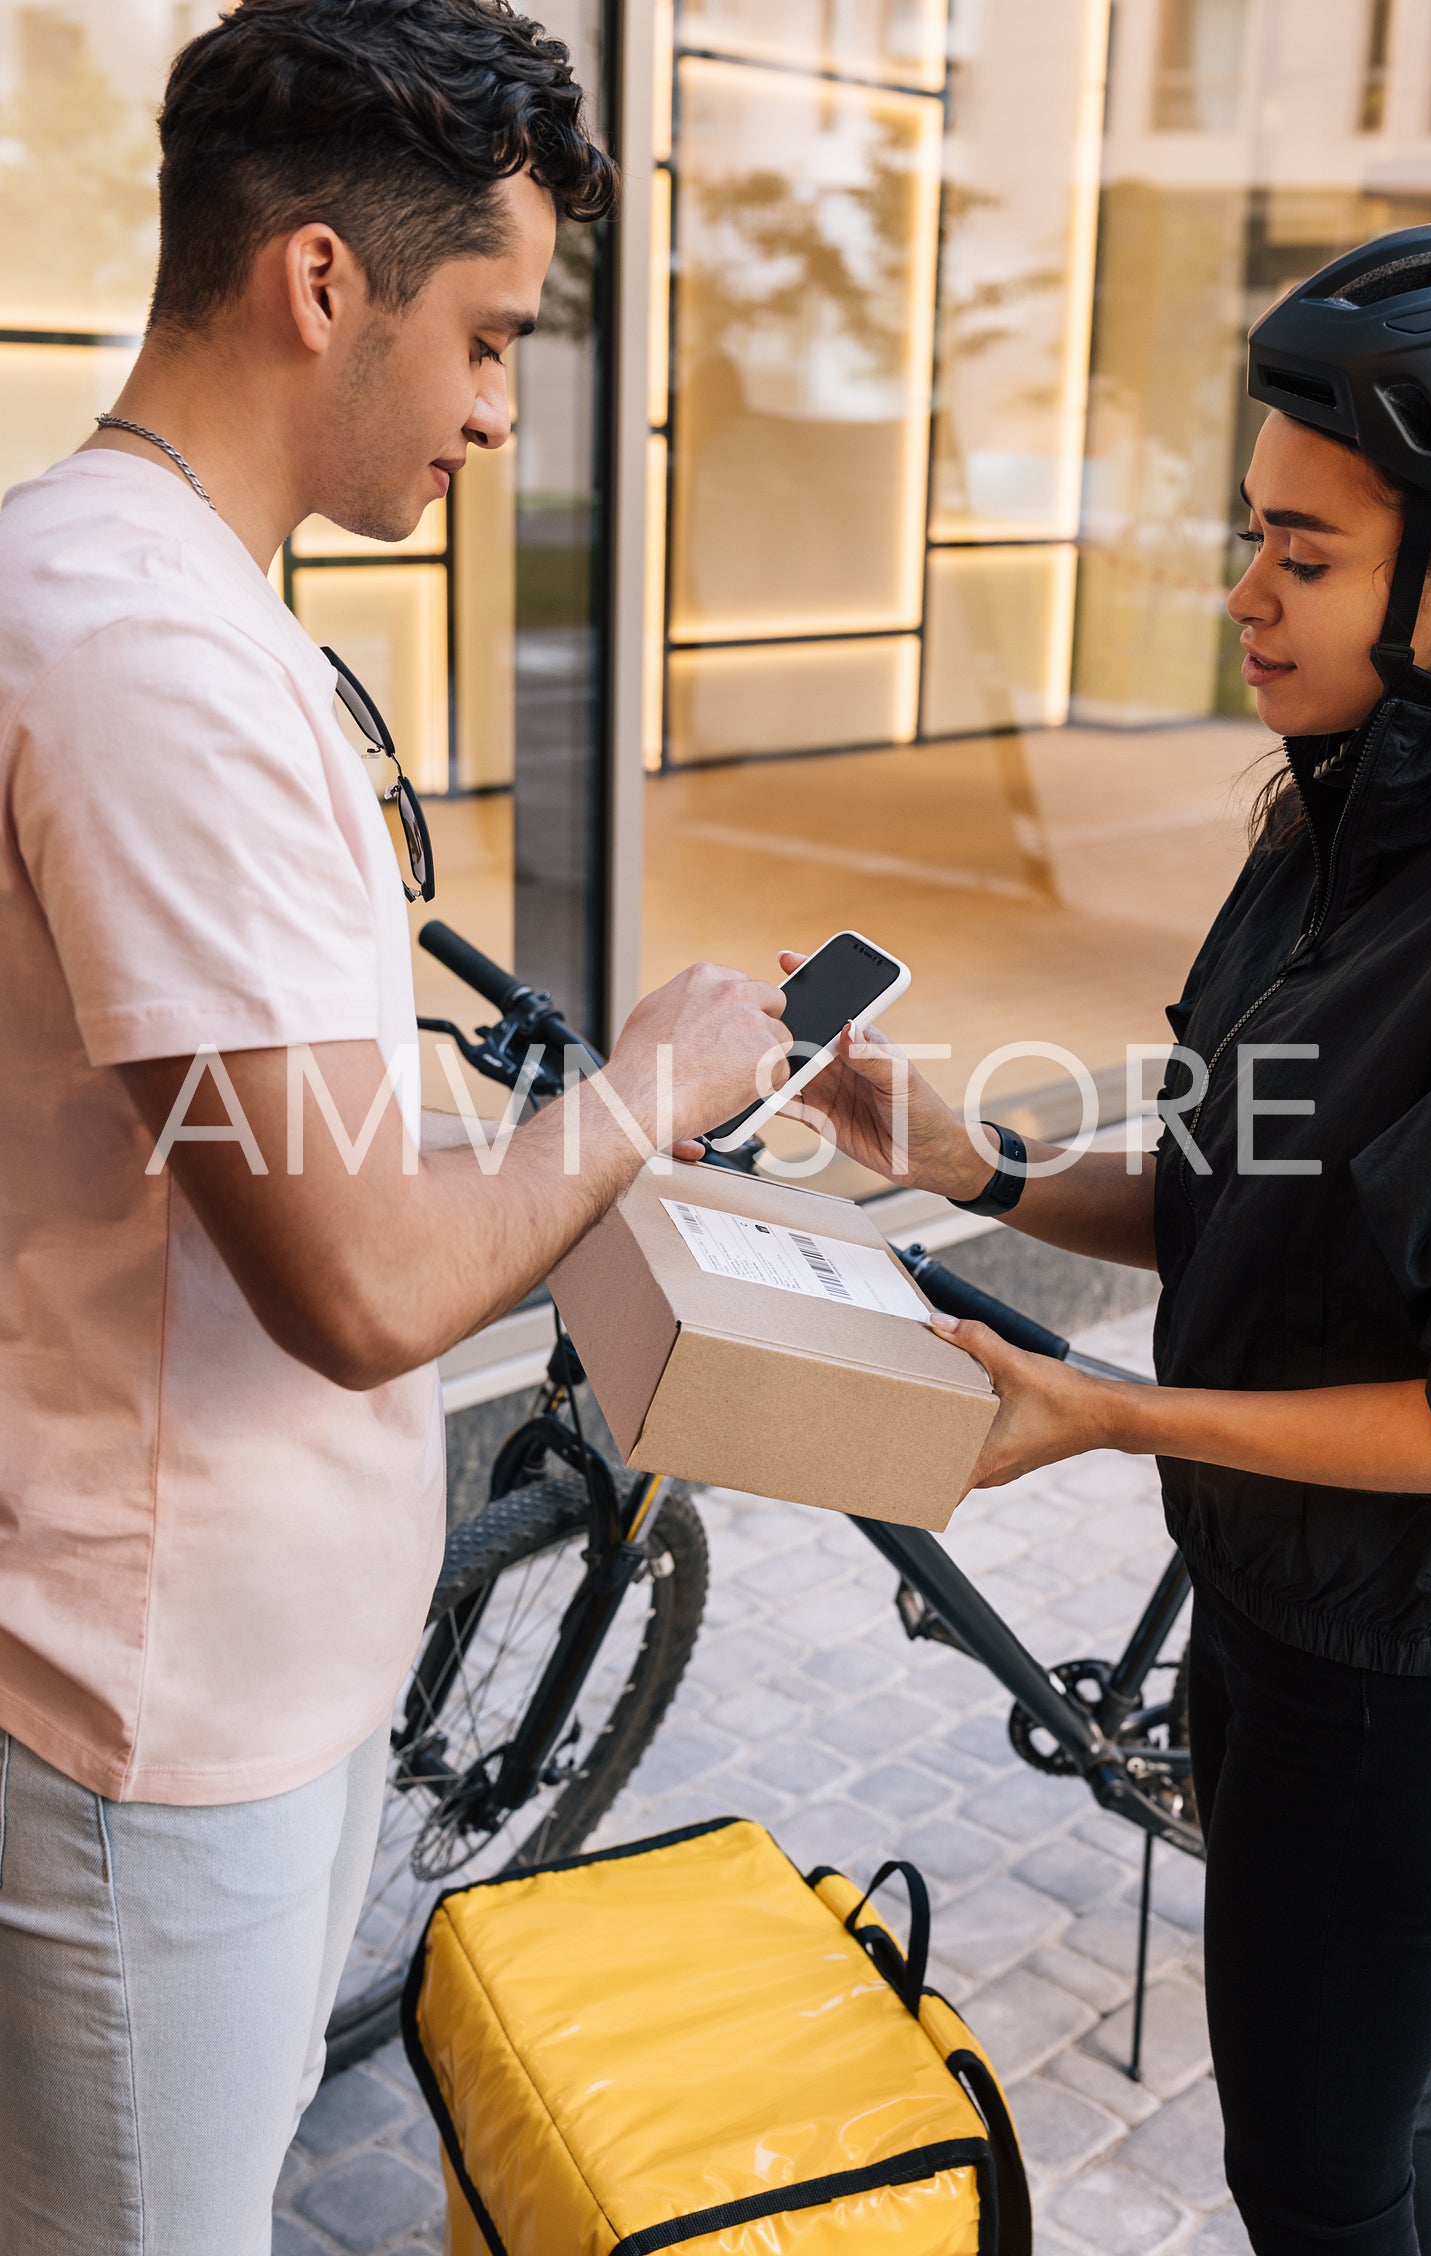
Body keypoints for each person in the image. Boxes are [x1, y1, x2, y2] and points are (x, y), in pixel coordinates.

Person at [0, 3, 788, 2249]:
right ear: (322, 280)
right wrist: (649, 1096)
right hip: (159, 1722)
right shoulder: (140, 647)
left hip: (222, 1680)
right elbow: (349, 1284)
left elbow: (289, 1156)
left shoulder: (146, 593)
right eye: (489, 336)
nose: (498, 409)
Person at [791, 222, 1431, 2256]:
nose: (1242, 596)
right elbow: (1233, 1167)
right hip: (1260, 1587)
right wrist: (978, 1172)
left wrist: (1111, 1419)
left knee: (1305, 2159)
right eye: (1248, 535)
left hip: (1407, 1661)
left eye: (1305, 552)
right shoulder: (1338, 815)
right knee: (1351, 2104)